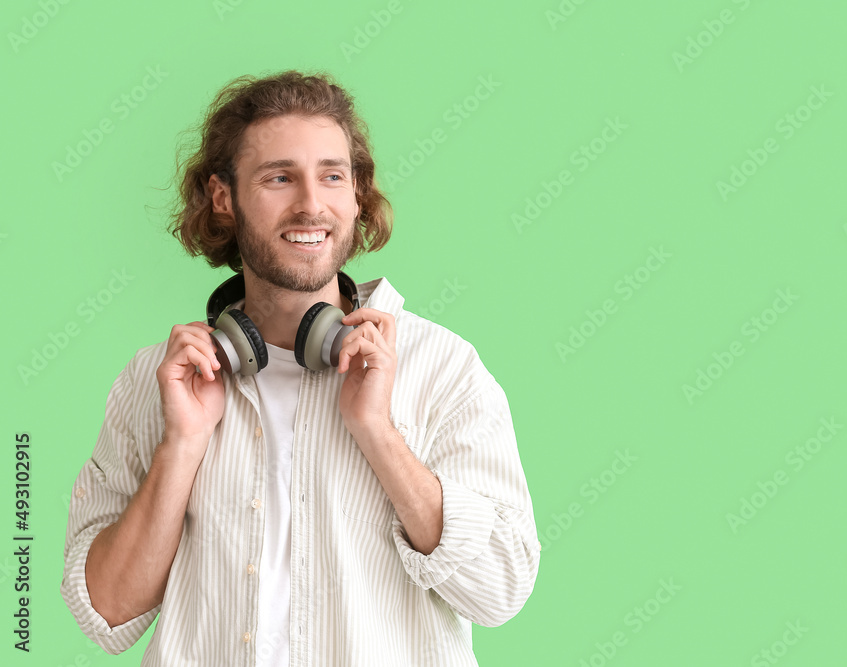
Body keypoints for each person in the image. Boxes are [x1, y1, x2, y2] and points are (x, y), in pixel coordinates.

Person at [60, 70, 540, 666]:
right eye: (279, 177)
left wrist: (379, 433)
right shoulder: (157, 380)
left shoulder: (444, 367)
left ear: (357, 193)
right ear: (223, 197)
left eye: (332, 176)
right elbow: (105, 615)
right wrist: (181, 446)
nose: (312, 204)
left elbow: (500, 591)